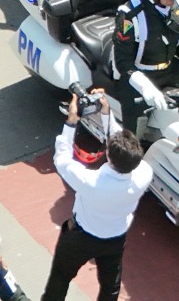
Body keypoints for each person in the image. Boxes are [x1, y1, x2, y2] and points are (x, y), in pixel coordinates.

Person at [44, 91, 153, 301]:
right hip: (114, 239)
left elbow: (62, 159)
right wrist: (106, 113)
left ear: (108, 156)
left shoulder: (91, 182)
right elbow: (119, 143)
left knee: (60, 278)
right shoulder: (144, 173)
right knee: (110, 289)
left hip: (80, 237)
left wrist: (71, 122)